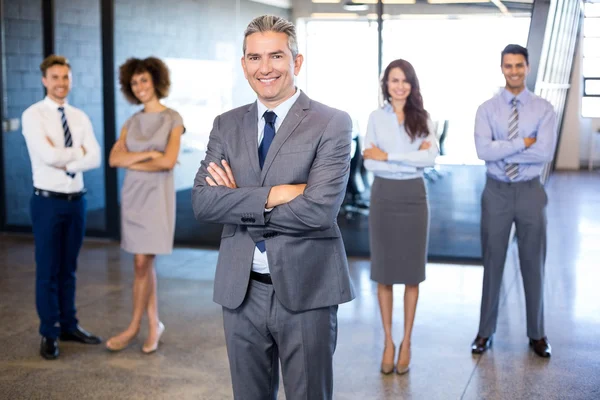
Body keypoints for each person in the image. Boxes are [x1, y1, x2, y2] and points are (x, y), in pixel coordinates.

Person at [192, 15, 355, 400]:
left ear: (296, 63)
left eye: (276, 56)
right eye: (254, 58)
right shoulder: (226, 124)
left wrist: (237, 199)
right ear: (244, 63)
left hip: (307, 288)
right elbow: (202, 201)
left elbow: (318, 211)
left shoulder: (331, 122)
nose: (265, 68)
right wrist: (277, 193)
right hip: (240, 291)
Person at [472, 44, 557, 358]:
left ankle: (537, 334)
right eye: (508, 66)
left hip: (530, 192)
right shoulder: (487, 109)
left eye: (519, 65)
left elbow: (544, 152)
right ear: (502, 68)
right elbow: (484, 151)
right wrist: (523, 142)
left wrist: (502, 146)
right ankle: (484, 332)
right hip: (495, 192)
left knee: (533, 263)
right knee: (493, 262)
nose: (514, 71)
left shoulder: (544, 109)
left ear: (528, 67)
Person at [21, 54, 102, 360]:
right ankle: (49, 332)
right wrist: (76, 152)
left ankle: (69, 325)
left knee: (69, 269)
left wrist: (68, 155)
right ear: (45, 80)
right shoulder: (33, 115)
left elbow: (94, 157)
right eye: (55, 78)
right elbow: (46, 156)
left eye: (65, 77)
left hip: (76, 202)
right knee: (47, 270)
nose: (61, 83)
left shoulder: (79, 116)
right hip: (47, 203)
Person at [362, 59, 438, 375]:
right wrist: (410, 159)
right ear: (386, 84)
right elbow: (369, 163)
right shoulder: (375, 118)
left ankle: (406, 342)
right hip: (383, 198)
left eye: (405, 80)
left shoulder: (423, 118)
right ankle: (388, 342)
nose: (400, 85)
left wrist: (390, 156)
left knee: (411, 273)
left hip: (413, 199)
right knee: (383, 273)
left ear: (412, 84)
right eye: (394, 80)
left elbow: (431, 158)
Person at [106, 57, 185, 354]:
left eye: (144, 80)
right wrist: (148, 155)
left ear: (156, 81)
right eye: (134, 82)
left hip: (157, 198)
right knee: (144, 263)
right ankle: (154, 324)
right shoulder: (131, 121)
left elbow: (168, 162)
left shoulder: (173, 118)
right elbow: (115, 160)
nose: (139, 87)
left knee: (142, 262)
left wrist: (143, 158)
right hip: (134, 197)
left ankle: (133, 326)